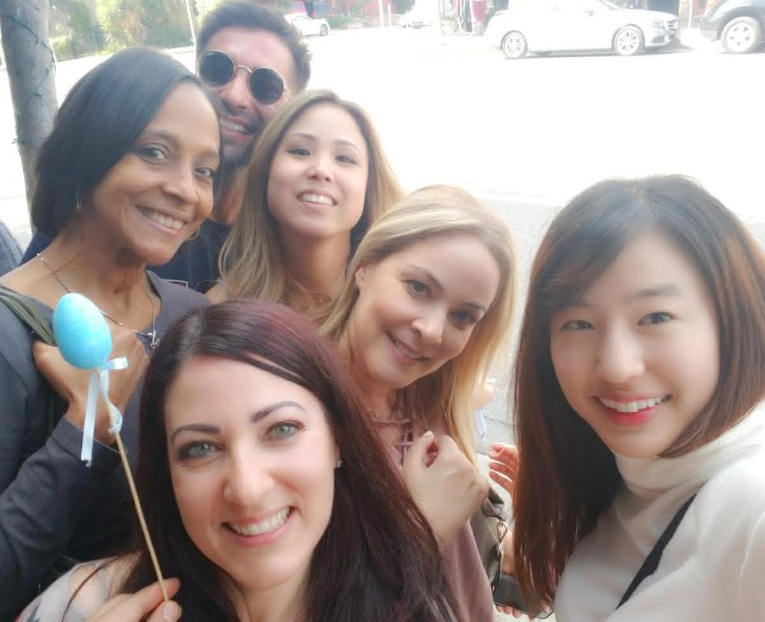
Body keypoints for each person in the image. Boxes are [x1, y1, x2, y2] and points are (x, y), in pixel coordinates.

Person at [16, 301, 462, 622]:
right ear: (167, 473)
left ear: (338, 440)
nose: (247, 490)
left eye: (281, 430)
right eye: (200, 449)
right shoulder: (78, 605)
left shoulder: (415, 604)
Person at [509, 176, 765, 621]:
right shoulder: (617, 485)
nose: (616, 367)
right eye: (579, 324)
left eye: (656, 317)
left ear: (733, 323)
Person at [0, 48, 218, 619]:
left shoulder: (190, 315)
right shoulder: (8, 337)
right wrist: (85, 431)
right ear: (86, 150)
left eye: (204, 170)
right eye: (154, 152)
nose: (186, 190)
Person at [322, 185, 518, 622]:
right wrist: (422, 530)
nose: (432, 330)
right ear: (365, 267)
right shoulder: (291, 416)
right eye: (418, 287)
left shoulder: (434, 409)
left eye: (463, 316)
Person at [20, 0, 311, 292]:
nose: (235, 96)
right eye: (218, 69)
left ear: (293, 109)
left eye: (266, 86)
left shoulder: (292, 232)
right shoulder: (111, 205)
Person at [209, 90, 403, 320]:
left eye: (344, 158)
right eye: (300, 151)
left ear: (369, 185)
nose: (320, 170)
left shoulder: (396, 310)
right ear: (266, 170)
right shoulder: (217, 313)